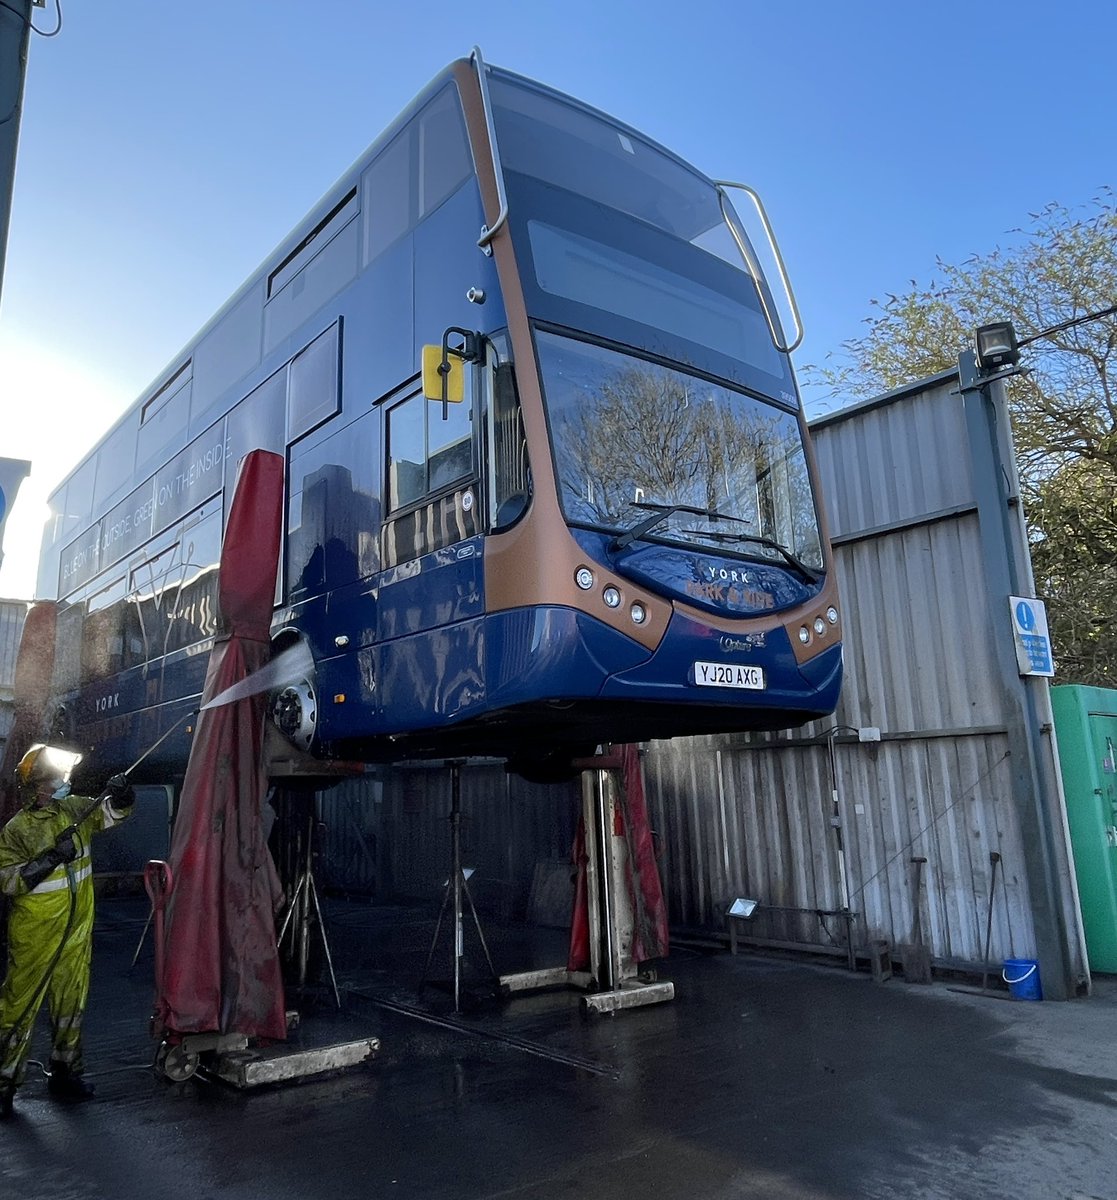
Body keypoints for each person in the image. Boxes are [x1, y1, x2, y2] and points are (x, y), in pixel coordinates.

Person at [0, 744, 134, 1118]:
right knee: (18, 1008)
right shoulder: (18, 828)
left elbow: (113, 813)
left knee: (70, 1006)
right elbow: (7, 880)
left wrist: (122, 793)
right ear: (37, 787)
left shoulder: (75, 809)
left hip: (75, 931)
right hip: (35, 935)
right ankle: (2, 1084)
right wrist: (48, 859)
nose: (62, 782)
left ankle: (65, 1075)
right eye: (54, 779)